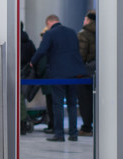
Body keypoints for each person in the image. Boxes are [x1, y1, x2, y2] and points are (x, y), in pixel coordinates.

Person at [30, 14, 87, 142]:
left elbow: (42, 50)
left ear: (49, 23)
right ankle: (73, 134)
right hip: (74, 73)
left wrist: (32, 62)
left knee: (58, 104)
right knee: (72, 104)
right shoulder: (72, 32)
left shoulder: (50, 34)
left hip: (58, 73)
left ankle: (59, 134)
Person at [77, 11, 95, 136]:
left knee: (85, 101)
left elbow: (81, 54)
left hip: (86, 72)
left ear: (88, 20)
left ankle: (87, 127)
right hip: (101, 71)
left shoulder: (83, 34)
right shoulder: (105, 31)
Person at [19, 22, 36, 135]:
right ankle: (22, 123)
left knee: (18, 99)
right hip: (26, 74)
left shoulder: (12, 40)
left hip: (15, 74)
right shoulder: (29, 43)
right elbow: (34, 57)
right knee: (21, 99)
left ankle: (20, 123)